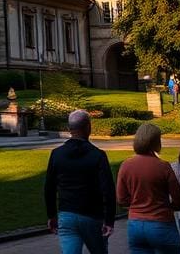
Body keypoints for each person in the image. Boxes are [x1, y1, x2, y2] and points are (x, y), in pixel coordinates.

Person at [44, 109, 116, 254]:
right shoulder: (98, 155)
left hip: (67, 214)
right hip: (92, 215)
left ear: (70, 129)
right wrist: (109, 220)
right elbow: (108, 190)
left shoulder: (57, 154)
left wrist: (52, 215)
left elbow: (49, 188)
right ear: (88, 127)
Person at [117, 122, 180, 253]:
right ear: (156, 141)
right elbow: (178, 200)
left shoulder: (126, 165)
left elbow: (121, 199)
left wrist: (136, 205)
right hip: (161, 223)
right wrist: (170, 207)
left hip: (135, 225)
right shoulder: (163, 166)